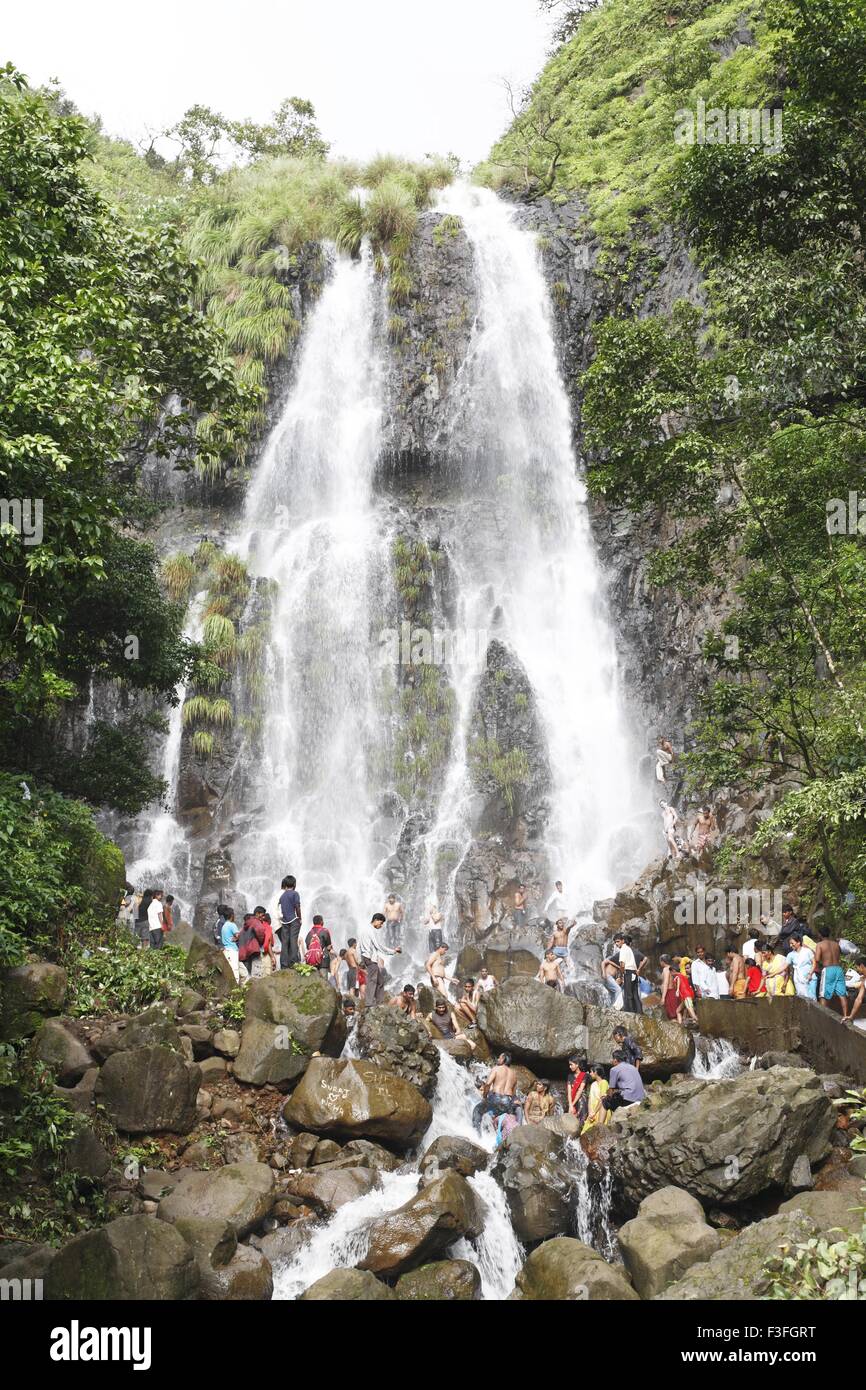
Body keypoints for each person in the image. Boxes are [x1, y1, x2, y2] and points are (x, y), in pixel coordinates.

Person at [358, 912, 401, 1006]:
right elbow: (379, 946)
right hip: (369, 958)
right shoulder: (370, 930)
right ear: (376, 920)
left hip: (366, 957)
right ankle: (369, 1003)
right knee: (372, 980)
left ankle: (379, 1002)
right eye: (381, 923)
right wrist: (393, 951)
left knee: (380, 981)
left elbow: (359, 945)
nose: (381, 926)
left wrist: (360, 957)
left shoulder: (364, 929)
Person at [472, 1053, 518, 1132]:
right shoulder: (514, 1074)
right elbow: (514, 1094)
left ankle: (477, 1135)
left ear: (503, 1059)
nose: (498, 1059)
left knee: (477, 1110)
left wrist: (484, 1096)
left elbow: (488, 1084)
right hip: (507, 1101)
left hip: (496, 1098)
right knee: (499, 1120)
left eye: (499, 1058)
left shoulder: (497, 1068)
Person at [810, 928, 849, 1018]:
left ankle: (822, 1017)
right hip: (838, 969)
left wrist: (813, 952)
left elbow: (817, 959)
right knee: (842, 994)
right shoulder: (836, 944)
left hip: (828, 970)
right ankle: (846, 1016)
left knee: (823, 995)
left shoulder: (819, 944)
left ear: (820, 935)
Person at [605, 933, 642, 1014]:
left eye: (618, 941)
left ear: (623, 941)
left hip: (628, 972)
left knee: (628, 995)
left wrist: (622, 975)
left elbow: (622, 964)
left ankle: (631, 1013)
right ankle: (639, 1012)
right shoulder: (628, 949)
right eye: (615, 942)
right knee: (635, 994)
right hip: (634, 973)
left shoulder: (623, 950)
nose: (616, 944)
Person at [278, 876, 302, 969]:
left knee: (284, 942)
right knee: (293, 940)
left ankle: (284, 964)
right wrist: (300, 918)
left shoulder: (282, 895)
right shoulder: (295, 893)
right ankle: (293, 962)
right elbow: (297, 906)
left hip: (284, 921)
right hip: (293, 920)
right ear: (294, 884)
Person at [786, 933, 817, 1000]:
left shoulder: (807, 951)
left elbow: (814, 963)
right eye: (790, 944)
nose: (790, 945)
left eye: (792, 943)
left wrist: (810, 974)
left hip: (810, 978)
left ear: (798, 942)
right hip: (798, 979)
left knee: (812, 998)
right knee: (802, 999)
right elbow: (785, 966)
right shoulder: (790, 955)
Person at [583, 1064, 611, 1132]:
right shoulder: (593, 1084)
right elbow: (590, 1099)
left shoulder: (604, 1082)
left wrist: (594, 1112)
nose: (590, 1073)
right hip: (592, 1112)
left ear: (595, 1072)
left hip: (600, 1110)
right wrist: (590, 1112)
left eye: (591, 1072)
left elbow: (602, 1099)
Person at [567, 1055, 589, 1127]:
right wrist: (570, 1104)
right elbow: (569, 1092)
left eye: (571, 1064)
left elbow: (580, 1091)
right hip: (572, 1100)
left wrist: (572, 1104)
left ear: (577, 1064)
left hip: (581, 1100)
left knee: (581, 1121)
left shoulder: (584, 1075)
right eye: (569, 1065)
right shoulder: (570, 1076)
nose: (570, 1066)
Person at [675, 957, 698, 1023]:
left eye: (688, 968)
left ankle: (696, 1021)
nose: (686, 970)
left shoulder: (693, 976)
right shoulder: (686, 977)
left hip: (691, 995)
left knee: (691, 1010)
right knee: (686, 1009)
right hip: (687, 996)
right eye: (685, 969)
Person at [221, 908, 240, 983]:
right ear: (232, 916)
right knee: (235, 969)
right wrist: (236, 938)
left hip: (226, 950)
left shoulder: (224, 926)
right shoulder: (232, 925)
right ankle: (236, 989)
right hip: (232, 950)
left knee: (232, 969)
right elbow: (237, 935)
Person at [660, 954, 680, 1020]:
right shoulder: (672, 968)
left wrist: (663, 997)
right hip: (673, 992)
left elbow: (666, 983)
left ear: (662, 961)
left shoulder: (666, 969)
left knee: (672, 1015)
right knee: (675, 1013)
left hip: (669, 993)